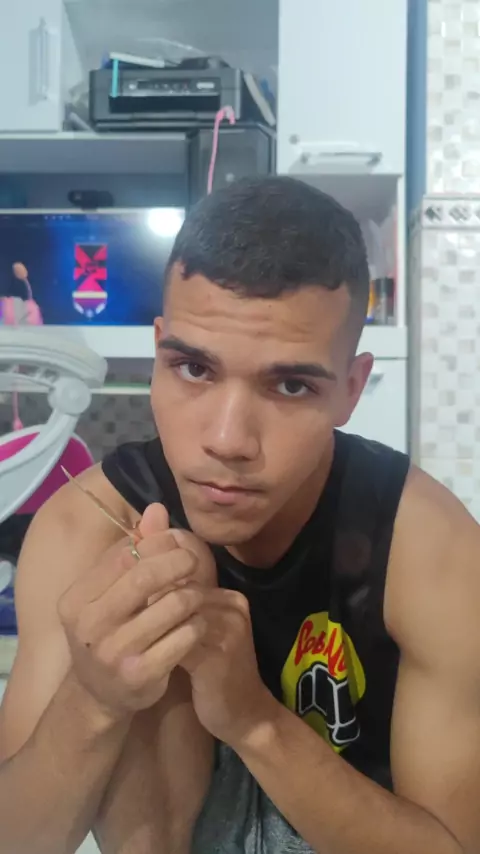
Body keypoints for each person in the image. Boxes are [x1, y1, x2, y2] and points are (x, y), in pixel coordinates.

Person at [0, 176, 479, 854]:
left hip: (359, 816)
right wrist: (96, 696)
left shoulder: (428, 549)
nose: (227, 441)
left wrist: (252, 719)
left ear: (350, 389)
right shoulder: (85, 525)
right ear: (159, 353)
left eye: (290, 384)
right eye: (194, 369)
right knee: (154, 594)